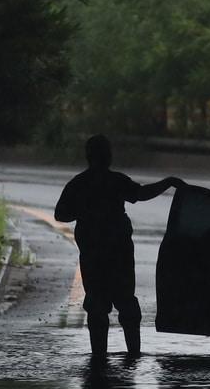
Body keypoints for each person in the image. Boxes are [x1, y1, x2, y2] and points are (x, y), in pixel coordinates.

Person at [54, 134, 184, 358]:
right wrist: (168, 183)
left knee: (96, 302)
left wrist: (85, 212)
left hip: (93, 254)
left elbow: (61, 214)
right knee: (126, 302)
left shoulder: (78, 184)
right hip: (119, 253)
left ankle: (99, 356)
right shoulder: (116, 181)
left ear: (88, 156)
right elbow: (140, 194)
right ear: (107, 156)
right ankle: (134, 353)